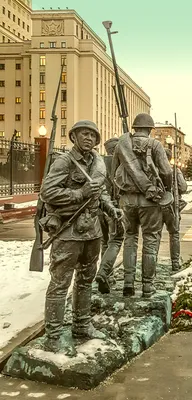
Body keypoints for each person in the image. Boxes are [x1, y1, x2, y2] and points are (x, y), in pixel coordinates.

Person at [39, 120, 122, 356]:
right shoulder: (64, 161)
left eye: (93, 135)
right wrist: (80, 193)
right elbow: (48, 192)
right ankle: (54, 335)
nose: (89, 138)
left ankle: (82, 326)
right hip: (68, 231)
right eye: (83, 134)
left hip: (92, 231)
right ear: (74, 136)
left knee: (86, 280)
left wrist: (110, 208)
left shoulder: (97, 162)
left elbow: (100, 192)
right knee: (60, 284)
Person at [112, 113, 173, 298]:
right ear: (149, 129)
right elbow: (166, 171)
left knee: (130, 239)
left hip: (127, 201)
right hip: (150, 200)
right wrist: (166, 189)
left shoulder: (121, 145)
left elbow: (113, 171)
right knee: (150, 241)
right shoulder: (154, 145)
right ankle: (147, 286)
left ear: (135, 127)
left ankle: (128, 284)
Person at [95, 137, 124, 293]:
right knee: (117, 239)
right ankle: (104, 272)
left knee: (104, 242)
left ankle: (109, 275)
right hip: (114, 207)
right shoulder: (120, 163)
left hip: (99, 207)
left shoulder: (98, 163)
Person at [162, 148, 187, 271]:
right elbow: (183, 187)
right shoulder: (174, 170)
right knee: (174, 234)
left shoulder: (153, 170)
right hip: (172, 207)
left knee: (153, 236)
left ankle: (150, 265)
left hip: (155, 207)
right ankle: (175, 263)